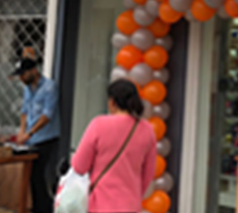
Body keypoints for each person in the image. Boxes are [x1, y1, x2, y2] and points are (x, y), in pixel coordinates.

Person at [71, 79, 157, 213]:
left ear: (112, 102)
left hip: (100, 205)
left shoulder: (98, 125)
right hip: (130, 205)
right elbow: (148, 173)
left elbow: (79, 166)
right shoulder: (147, 130)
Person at [14, 58, 61, 213]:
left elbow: (47, 115)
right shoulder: (28, 89)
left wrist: (29, 133)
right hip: (31, 139)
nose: (21, 78)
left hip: (46, 138)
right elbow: (24, 111)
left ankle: (44, 209)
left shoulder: (49, 88)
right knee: (32, 176)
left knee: (39, 176)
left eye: (23, 74)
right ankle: (37, 208)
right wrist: (22, 131)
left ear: (34, 70)